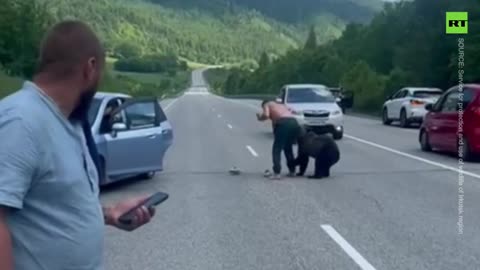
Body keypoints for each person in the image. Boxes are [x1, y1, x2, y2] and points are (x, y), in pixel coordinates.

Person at [0, 21, 156, 270]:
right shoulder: (21, 121)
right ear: (90, 68)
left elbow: (54, 203)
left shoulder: (69, 122)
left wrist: (109, 213)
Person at [257, 99, 301, 179]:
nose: (263, 109)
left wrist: (260, 118)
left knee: (277, 149)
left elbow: (266, 115)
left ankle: (277, 173)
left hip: (283, 123)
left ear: (264, 104)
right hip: (294, 122)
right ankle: (292, 171)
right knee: (288, 148)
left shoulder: (267, 104)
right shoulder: (281, 105)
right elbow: (294, 111)